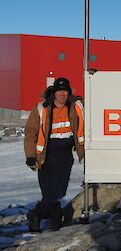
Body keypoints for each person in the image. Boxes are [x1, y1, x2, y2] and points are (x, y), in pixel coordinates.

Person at [24, 77, 84, 232]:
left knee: (60, 190)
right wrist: (30, 156)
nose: (62, 94)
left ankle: (36, 215)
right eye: (59, 91)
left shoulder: (75, 107)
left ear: (68, 93)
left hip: (64, 155)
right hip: (45, 156)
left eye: (65, 91)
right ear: (54, 93)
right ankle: (55, 217)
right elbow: (30, 133)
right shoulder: (41, 108)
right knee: (48, 191)